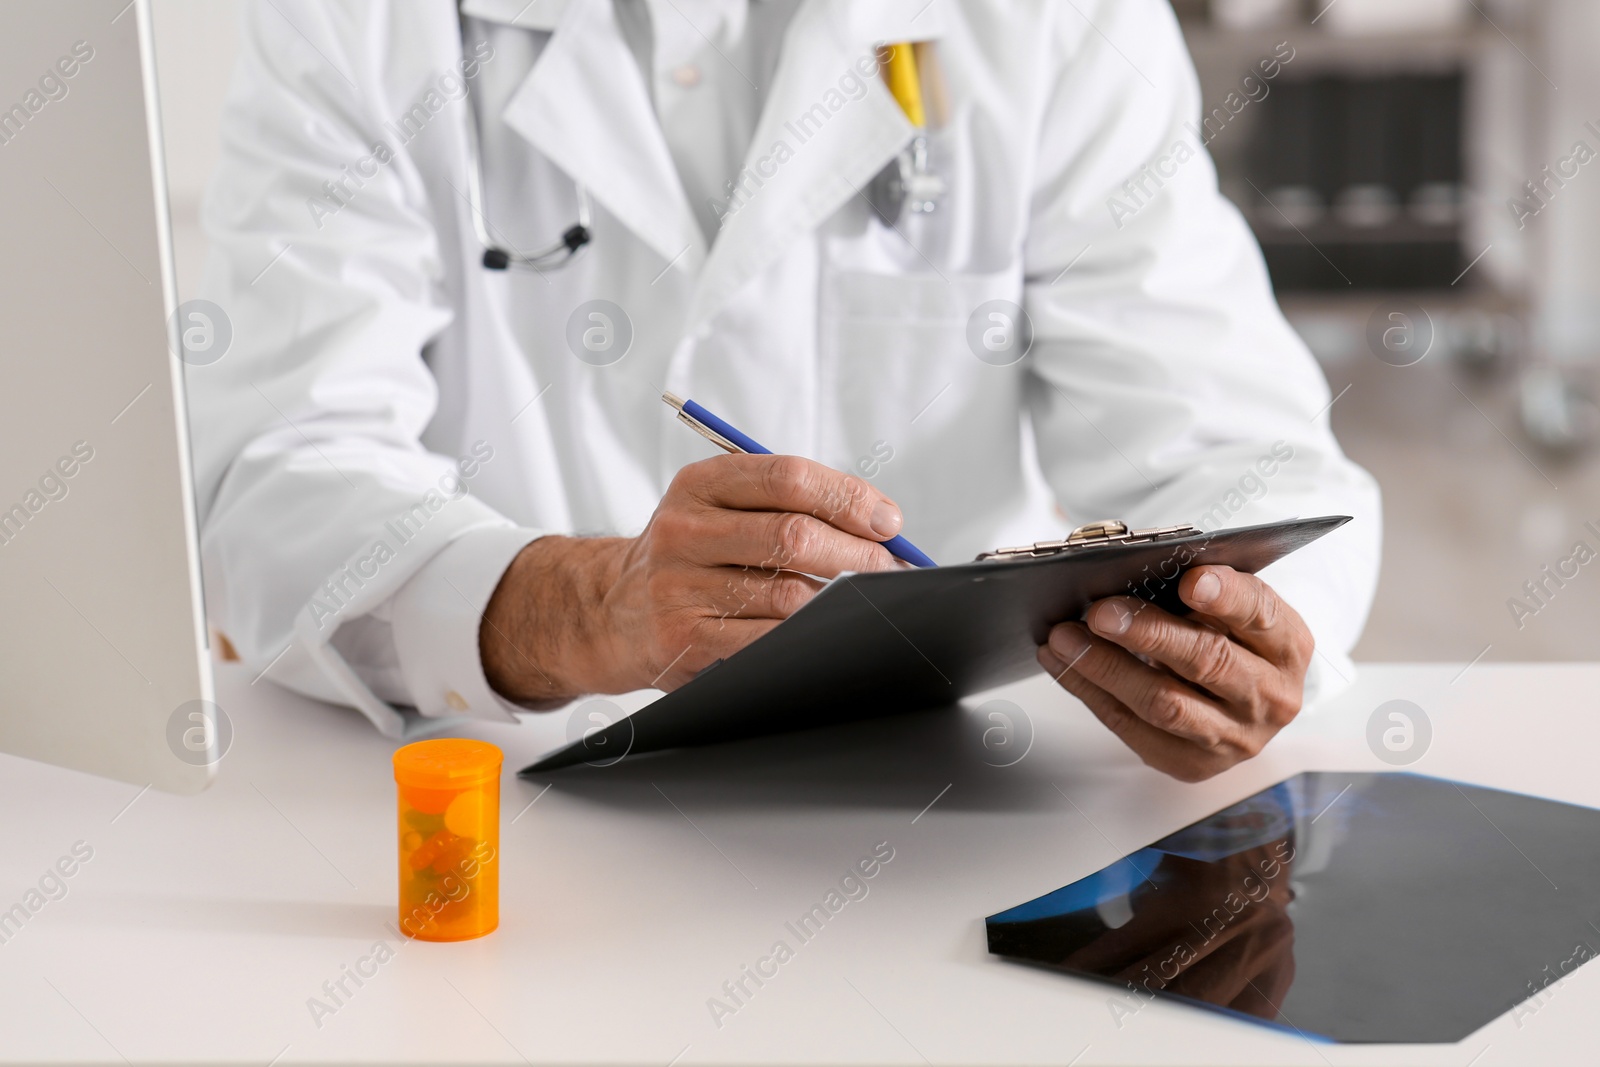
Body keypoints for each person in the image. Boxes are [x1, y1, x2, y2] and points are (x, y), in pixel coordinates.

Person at [190, 0, 1381, 782]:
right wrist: (584, 608)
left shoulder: (1051, 21)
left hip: (928, 815)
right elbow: (275, 478)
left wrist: (1246, 638)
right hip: (494, 796)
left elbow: (1245, 447)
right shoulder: (351, 23)